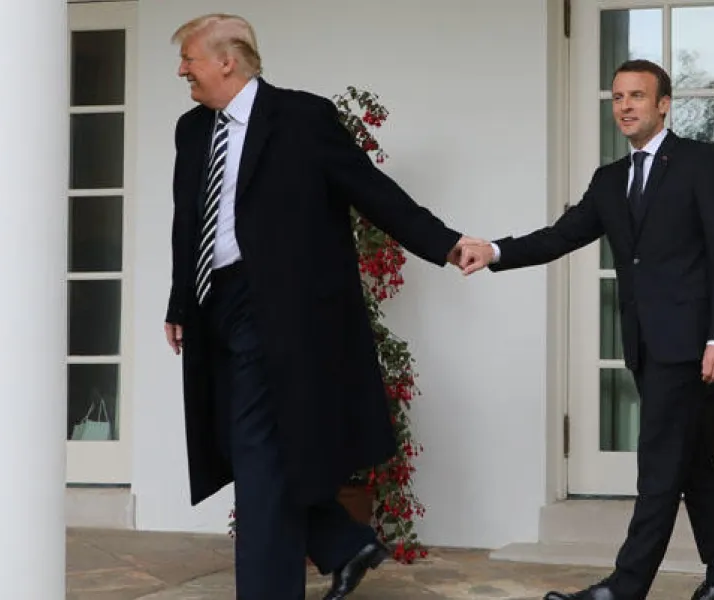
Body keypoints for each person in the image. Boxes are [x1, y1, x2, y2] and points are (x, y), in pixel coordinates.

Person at [161, 14, 483, 600]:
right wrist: (181, 300)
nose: (182, 69)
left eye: (189, 58)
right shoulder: (191, 129)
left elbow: (371, 189)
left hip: (283, 312)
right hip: (217, 308)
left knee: (259, 454)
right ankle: (341, 541)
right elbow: (189, 222)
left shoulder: (303, 118)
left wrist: (445, 242)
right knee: (243, 450)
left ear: (227, 61)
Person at [459, 59, 714, 600]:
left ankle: (626, 587)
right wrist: (494, 251)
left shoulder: (700, 162)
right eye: (617, 97)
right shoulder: (609, 180)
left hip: (689, 344)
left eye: (637, 95)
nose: (625, 106)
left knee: (660, 466)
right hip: (643, 342)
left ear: (663, 104)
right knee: (692, 465)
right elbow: (559, 237)